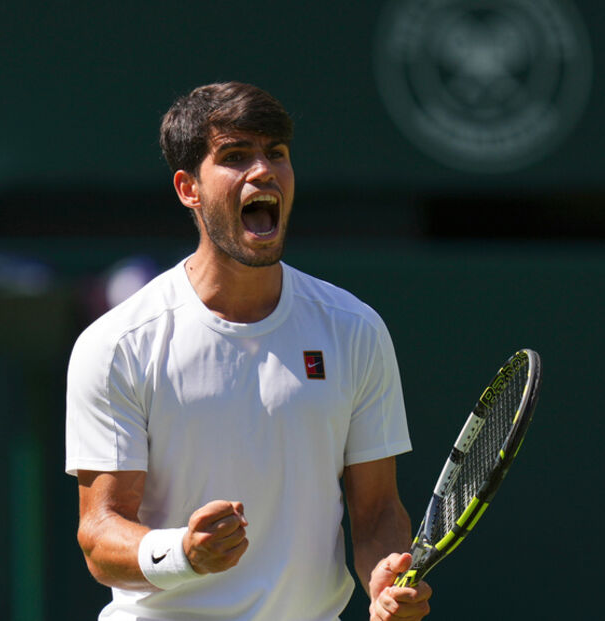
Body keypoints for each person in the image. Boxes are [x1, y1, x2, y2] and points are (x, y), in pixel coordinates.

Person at [65, 82, 432, 621]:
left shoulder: (355, 329)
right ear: (188, 188)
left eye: (276, 154)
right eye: (236, 156)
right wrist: (183, 554)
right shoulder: (118, 344)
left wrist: (384, 579)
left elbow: (377, 509)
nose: (263, 171)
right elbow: (99, 536)